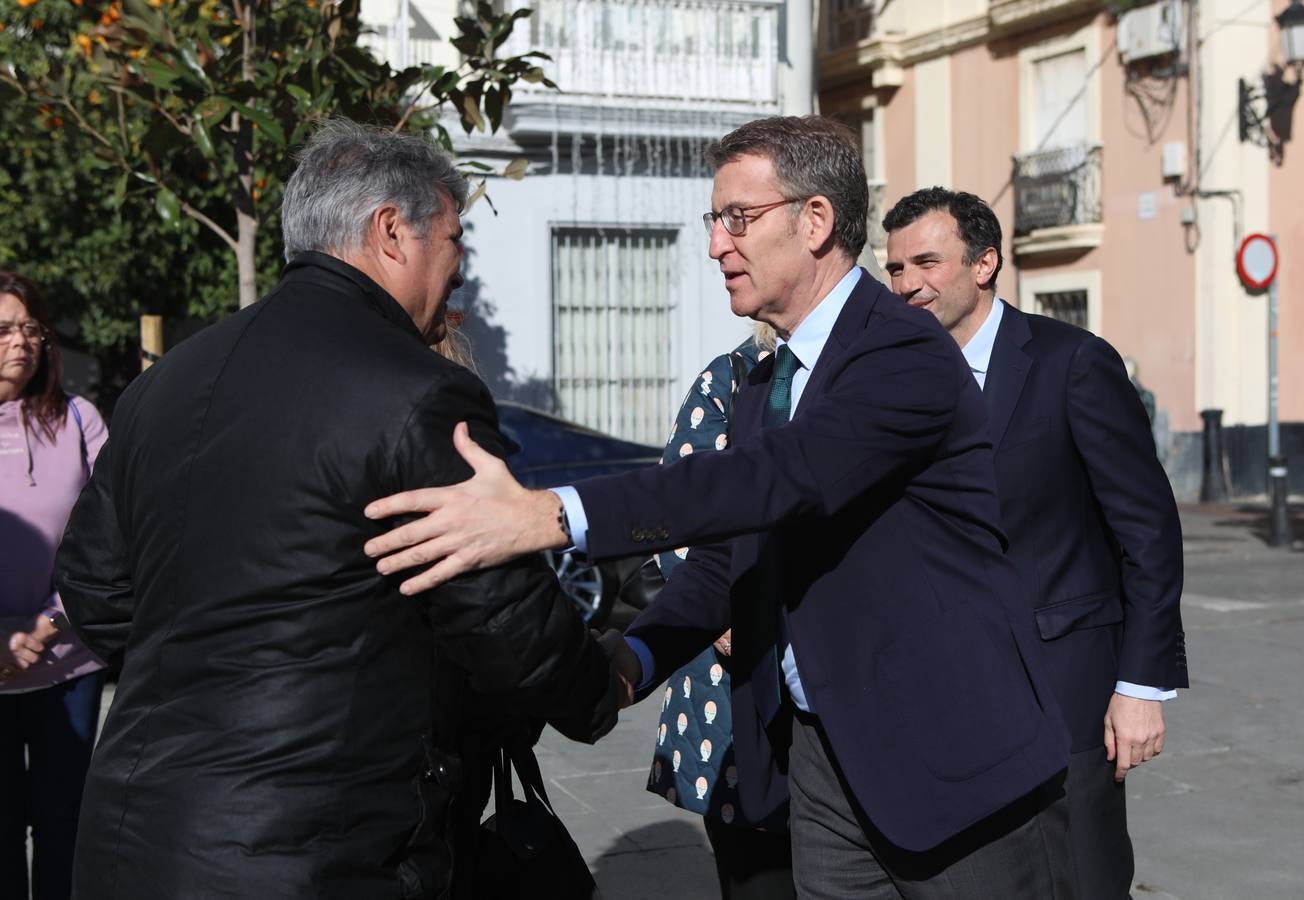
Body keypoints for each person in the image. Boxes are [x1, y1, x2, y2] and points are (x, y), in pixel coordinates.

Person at [363, 116, 1075, 899]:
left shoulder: (902, 352)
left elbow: (776, 477)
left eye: (739, 218)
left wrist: (550, 514)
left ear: (815, 222)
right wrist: (631, 665)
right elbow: (726, 562)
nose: (715, 245)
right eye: (715, 221)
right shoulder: (764, 386)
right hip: (822, 767)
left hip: (955, 763)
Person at [53, 120, 626, 900]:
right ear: (392, 231)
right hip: (316, 848)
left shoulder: (167, 381)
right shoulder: (420, 391)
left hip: (133, 837)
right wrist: (602, 687)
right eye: (455, 238)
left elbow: (96, 595)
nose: (461, 267)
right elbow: (502, 619)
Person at [882, 187, 1188, 899]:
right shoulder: (893, 379)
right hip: (940, 688)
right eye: (894, 268)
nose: (906, 285)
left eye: (926, 261)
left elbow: (1147, 530)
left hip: (1064, 684)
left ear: (984, 262)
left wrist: (1140, 686)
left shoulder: (1071, 363)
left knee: (1083, 874)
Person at [646, 324, 796, 900]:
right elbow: (678, 512)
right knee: (756, 875)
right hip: (731, 679)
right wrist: (727, 616)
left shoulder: (858, 375)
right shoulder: (731, 378)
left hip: (821, 681)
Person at [0, 271, 108, 900]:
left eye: (32, 328)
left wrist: (49, 623)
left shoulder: (77, 419)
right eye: (7, 329)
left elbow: (114, 534)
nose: (24, 341)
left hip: (68, 661)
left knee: (65, 824)